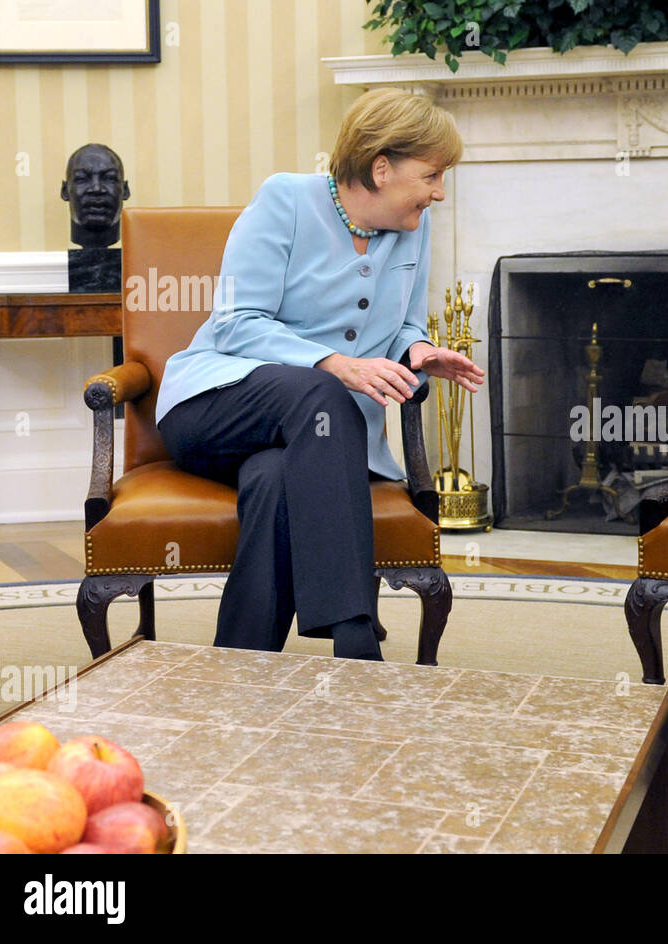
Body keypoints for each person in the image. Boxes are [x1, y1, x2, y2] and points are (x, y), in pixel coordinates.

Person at [155, 88, 484, 661]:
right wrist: (332, 363)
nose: (439, 191)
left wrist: (420, 350)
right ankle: (354, 636)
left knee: (275, 479)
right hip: (215, 407)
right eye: (432, 175)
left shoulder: (414, 227)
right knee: (320, 390)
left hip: (309, 439)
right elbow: (235, 323)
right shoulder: (285, 200)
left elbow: (405, 323)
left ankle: (237, 660)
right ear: (382, 168)